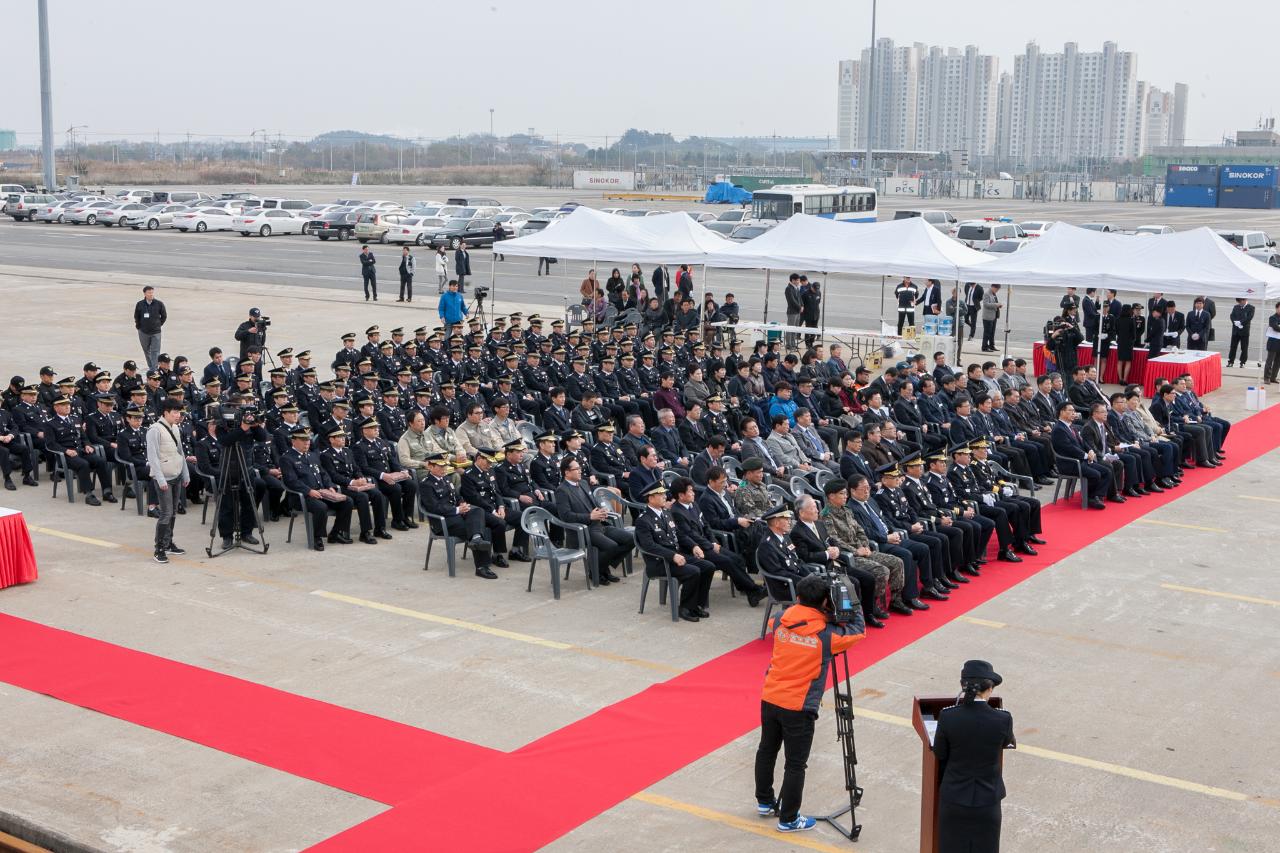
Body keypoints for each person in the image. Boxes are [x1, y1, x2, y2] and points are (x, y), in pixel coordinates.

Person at [755, 572, 866, 833]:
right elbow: (858, 631)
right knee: (796, 764)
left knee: (767, 750)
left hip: (771, 696)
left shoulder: (781, 620)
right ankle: (789, 819)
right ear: (826, 603)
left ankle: (764, 801)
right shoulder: (828, 637)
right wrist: (852, 602)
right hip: (799, 706)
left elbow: (792, 621)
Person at [933, 659, 1015, 853]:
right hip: (988, 801)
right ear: (989, 688)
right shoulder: (1003, 718)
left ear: (963, 686)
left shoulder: (947, 716)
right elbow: (1005, 743)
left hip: (954, 799)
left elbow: (940, 752)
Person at [634, 481, 717, 622]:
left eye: (664, 493)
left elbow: (679, 534)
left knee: (708, 566)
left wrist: (694, 546)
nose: (665, 496)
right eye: (660, 494)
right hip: (660, 562)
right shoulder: (643, 520)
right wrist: (672, 556)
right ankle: (684, 608)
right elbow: (649, 546)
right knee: (693, 571)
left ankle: (696, 605)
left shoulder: (666, 513)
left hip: (676, 555)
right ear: (650, 498)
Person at [554, 455, 634, 584]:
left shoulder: (584, 483)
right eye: (576, 469)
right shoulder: (562, 490)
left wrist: (601, 511)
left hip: (599, 524)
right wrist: (589, 516)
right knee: (611, 546)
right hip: (583, 530)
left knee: (630, 539)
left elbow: (592, 504)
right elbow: (565, 516)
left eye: (580, 468)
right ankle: (598, 571)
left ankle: (599, 568)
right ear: (566, 472)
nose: (580, 471)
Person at [280, 427, 354, 551]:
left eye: (308, 439)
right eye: (303, 440)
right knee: (321, 507)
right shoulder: (287, 458)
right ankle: (317, 537)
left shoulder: (313, 455)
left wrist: (330, 486)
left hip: (321, 492)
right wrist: (308, 491)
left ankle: (336, 533)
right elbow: (291, 481)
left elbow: (323, 473)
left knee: (347, 501)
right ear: (293, 441)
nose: (307, 442)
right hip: (302, 497)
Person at [145, 399, 190, 563]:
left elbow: (180, 452)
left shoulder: (176, 428)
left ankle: (168, 543)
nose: (178, 416)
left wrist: (185, 473)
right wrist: (160, 478)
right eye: (175, 413)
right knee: (165, 513)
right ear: (165, 412)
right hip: (164, 478)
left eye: (179, 412)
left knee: (173, 513)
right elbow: (153, 457)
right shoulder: (154, 430)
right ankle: (159, 548)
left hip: (176, 475)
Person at [133, 285, 167, 371]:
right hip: (143, 332)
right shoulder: (140, 304)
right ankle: (151, 365)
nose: (151, 294)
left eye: (152, 292)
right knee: (146, 350)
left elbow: (164, 316)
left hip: (156, 332)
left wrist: (158, 325)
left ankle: (154, 369)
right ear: (145, 293)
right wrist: (138, 326)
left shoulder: (159, 304)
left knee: (155, 351)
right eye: (149, 292)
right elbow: (136, 316)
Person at [980, 284, 1002, 353]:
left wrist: (998, 305)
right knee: (987, 333)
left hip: (994, 316)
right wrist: (996, 304)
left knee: (992, 332)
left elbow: (994, 303)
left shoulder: (993, 294)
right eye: (996, 289)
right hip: (988, 317)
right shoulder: (986, 294)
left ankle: (991, 345)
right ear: (992, 287)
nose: (997, 291)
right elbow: (986, 304)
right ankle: (984, 347)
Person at [1266, 302, 1280, 384]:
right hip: (1273, 343)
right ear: (1277, 308)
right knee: (1269, 361)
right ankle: (1266, 378)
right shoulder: (1273, 317)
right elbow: (1275, 327)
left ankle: (1273, 377)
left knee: (1278, 362)